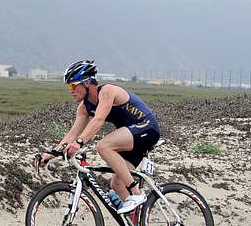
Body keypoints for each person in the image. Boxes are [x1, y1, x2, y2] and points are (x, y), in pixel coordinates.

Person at [38, 60, 160, 216]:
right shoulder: (84, 107)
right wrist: (49, 155)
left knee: (104, 146)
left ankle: (136, 193)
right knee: (117, 184)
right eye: (69, 87)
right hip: (131, 137)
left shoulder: (107, 91)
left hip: (147, 127)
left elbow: (98, 120)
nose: (71, 90)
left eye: (74, 85)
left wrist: (80, 143)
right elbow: (72, 134)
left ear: (88, 82)